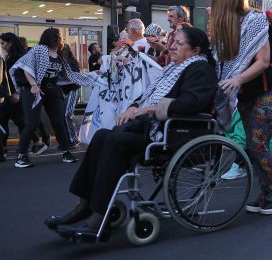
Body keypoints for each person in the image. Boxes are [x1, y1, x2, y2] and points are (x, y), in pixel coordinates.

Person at [45, 26, 217, 241]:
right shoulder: (175, 68)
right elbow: (148, 95)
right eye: (173, 42)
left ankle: (98, 219)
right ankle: (84, 206)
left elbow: (191, 102)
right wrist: (133, 107)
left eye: (179, 43)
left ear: (196, 50)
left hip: (175, 134)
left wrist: (146, 110)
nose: (171, 46)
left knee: (115, 141)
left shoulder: (201, 68)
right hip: (154, 128)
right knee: (101, 136)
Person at [208, 0, 272, 215]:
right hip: (248, 93)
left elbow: (263, 62)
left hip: (270, 89)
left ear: (226, 3)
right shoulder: (230, 25)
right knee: (252, 145)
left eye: (216, 2)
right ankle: (268, 192)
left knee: (256, 144)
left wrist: (236, 80)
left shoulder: (255, 21)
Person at [10, 28, 96, 168]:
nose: (62, 39)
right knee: (31, 123)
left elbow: (68, 74)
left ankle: (66, 151)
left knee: (59, 122)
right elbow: (26, 67)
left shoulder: (60, 54)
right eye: (60, 37)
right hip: (33, 90)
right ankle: (21, 156)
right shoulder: (39, 50)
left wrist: (92, 76)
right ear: (53, 38)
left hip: (51, 90)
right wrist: (33, 85)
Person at [1, 33, 27, 162]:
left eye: (3, 43)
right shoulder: (10, 57)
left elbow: (18, 78)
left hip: (15, 96)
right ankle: (4, 149)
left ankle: (23, 149)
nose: (2, 46)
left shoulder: (17, 58)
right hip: (8, 95)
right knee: (4, 121)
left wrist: (17, 93)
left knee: (20, 122)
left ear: (10, 43)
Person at [59, 44, 82, 147]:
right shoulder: (56, 60)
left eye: (63, 51)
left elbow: (72, 77)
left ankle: (73, 139)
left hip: (72, 89)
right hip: (61, 91)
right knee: (61, 116)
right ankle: (66, 139)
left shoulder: (72, 62)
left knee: (67, 114)